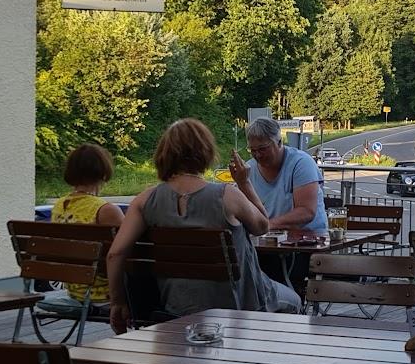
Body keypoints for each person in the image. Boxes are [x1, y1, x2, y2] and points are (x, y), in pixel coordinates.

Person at [106, 118, 301, 334]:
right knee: (295, 301)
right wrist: (244, 182)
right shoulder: (227, 195)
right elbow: (262, 226)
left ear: (164, 154)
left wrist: (118, 302)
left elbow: (115, 254)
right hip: (239, 304)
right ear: (205, 152)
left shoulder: (144, 200)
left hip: (176, 306)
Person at [230, 117, 328, 285]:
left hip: (306, 246)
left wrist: (266, 225)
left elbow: (306, 211)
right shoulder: (249, 169)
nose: (257, 155)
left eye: (263, 149)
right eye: (252, 150)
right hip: (268, 246)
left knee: (260, 274)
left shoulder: (301, 163)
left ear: (279, 142)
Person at [52, 143, 124, 302]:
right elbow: (130, 253)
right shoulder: (106, 210)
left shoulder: (58, 206)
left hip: (75, 291)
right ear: (103, 172)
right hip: (106, 293)